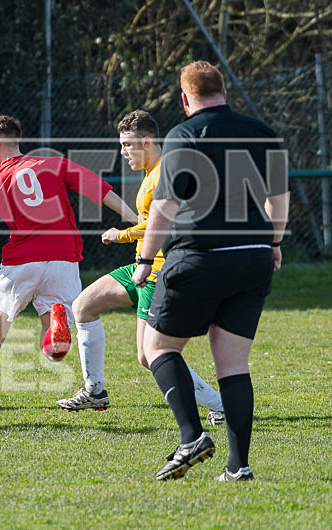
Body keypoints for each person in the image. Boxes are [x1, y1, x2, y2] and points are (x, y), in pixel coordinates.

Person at [131, 61, 289, 481]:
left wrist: (145, 261)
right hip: (253, 257)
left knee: (157, 349)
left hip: (200, 256)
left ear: (185, 99)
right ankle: (239, 466)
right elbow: (279, 198)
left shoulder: (183, 134)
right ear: (224, 92)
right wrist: (272, 243)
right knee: (233, 365)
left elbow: (165, 207)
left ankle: (191, 436)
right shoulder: (261, 132)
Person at [0, 115, 138, 419]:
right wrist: (135, 219)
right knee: (52, 350)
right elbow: (99, 189)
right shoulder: (53, 164)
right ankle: (56, 325)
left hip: (21, 261)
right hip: (64, 260)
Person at [56, 110, 225, 426]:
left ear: (147, 141)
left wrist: (121, 234)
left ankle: (220, 404)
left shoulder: (163, 173)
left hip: (160, 271)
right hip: (141, 267)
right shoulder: (151, 173)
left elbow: (162, 223)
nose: (123, 152)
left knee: (149, 357)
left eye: (128, 144)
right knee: (84, 305)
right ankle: (95, 391)